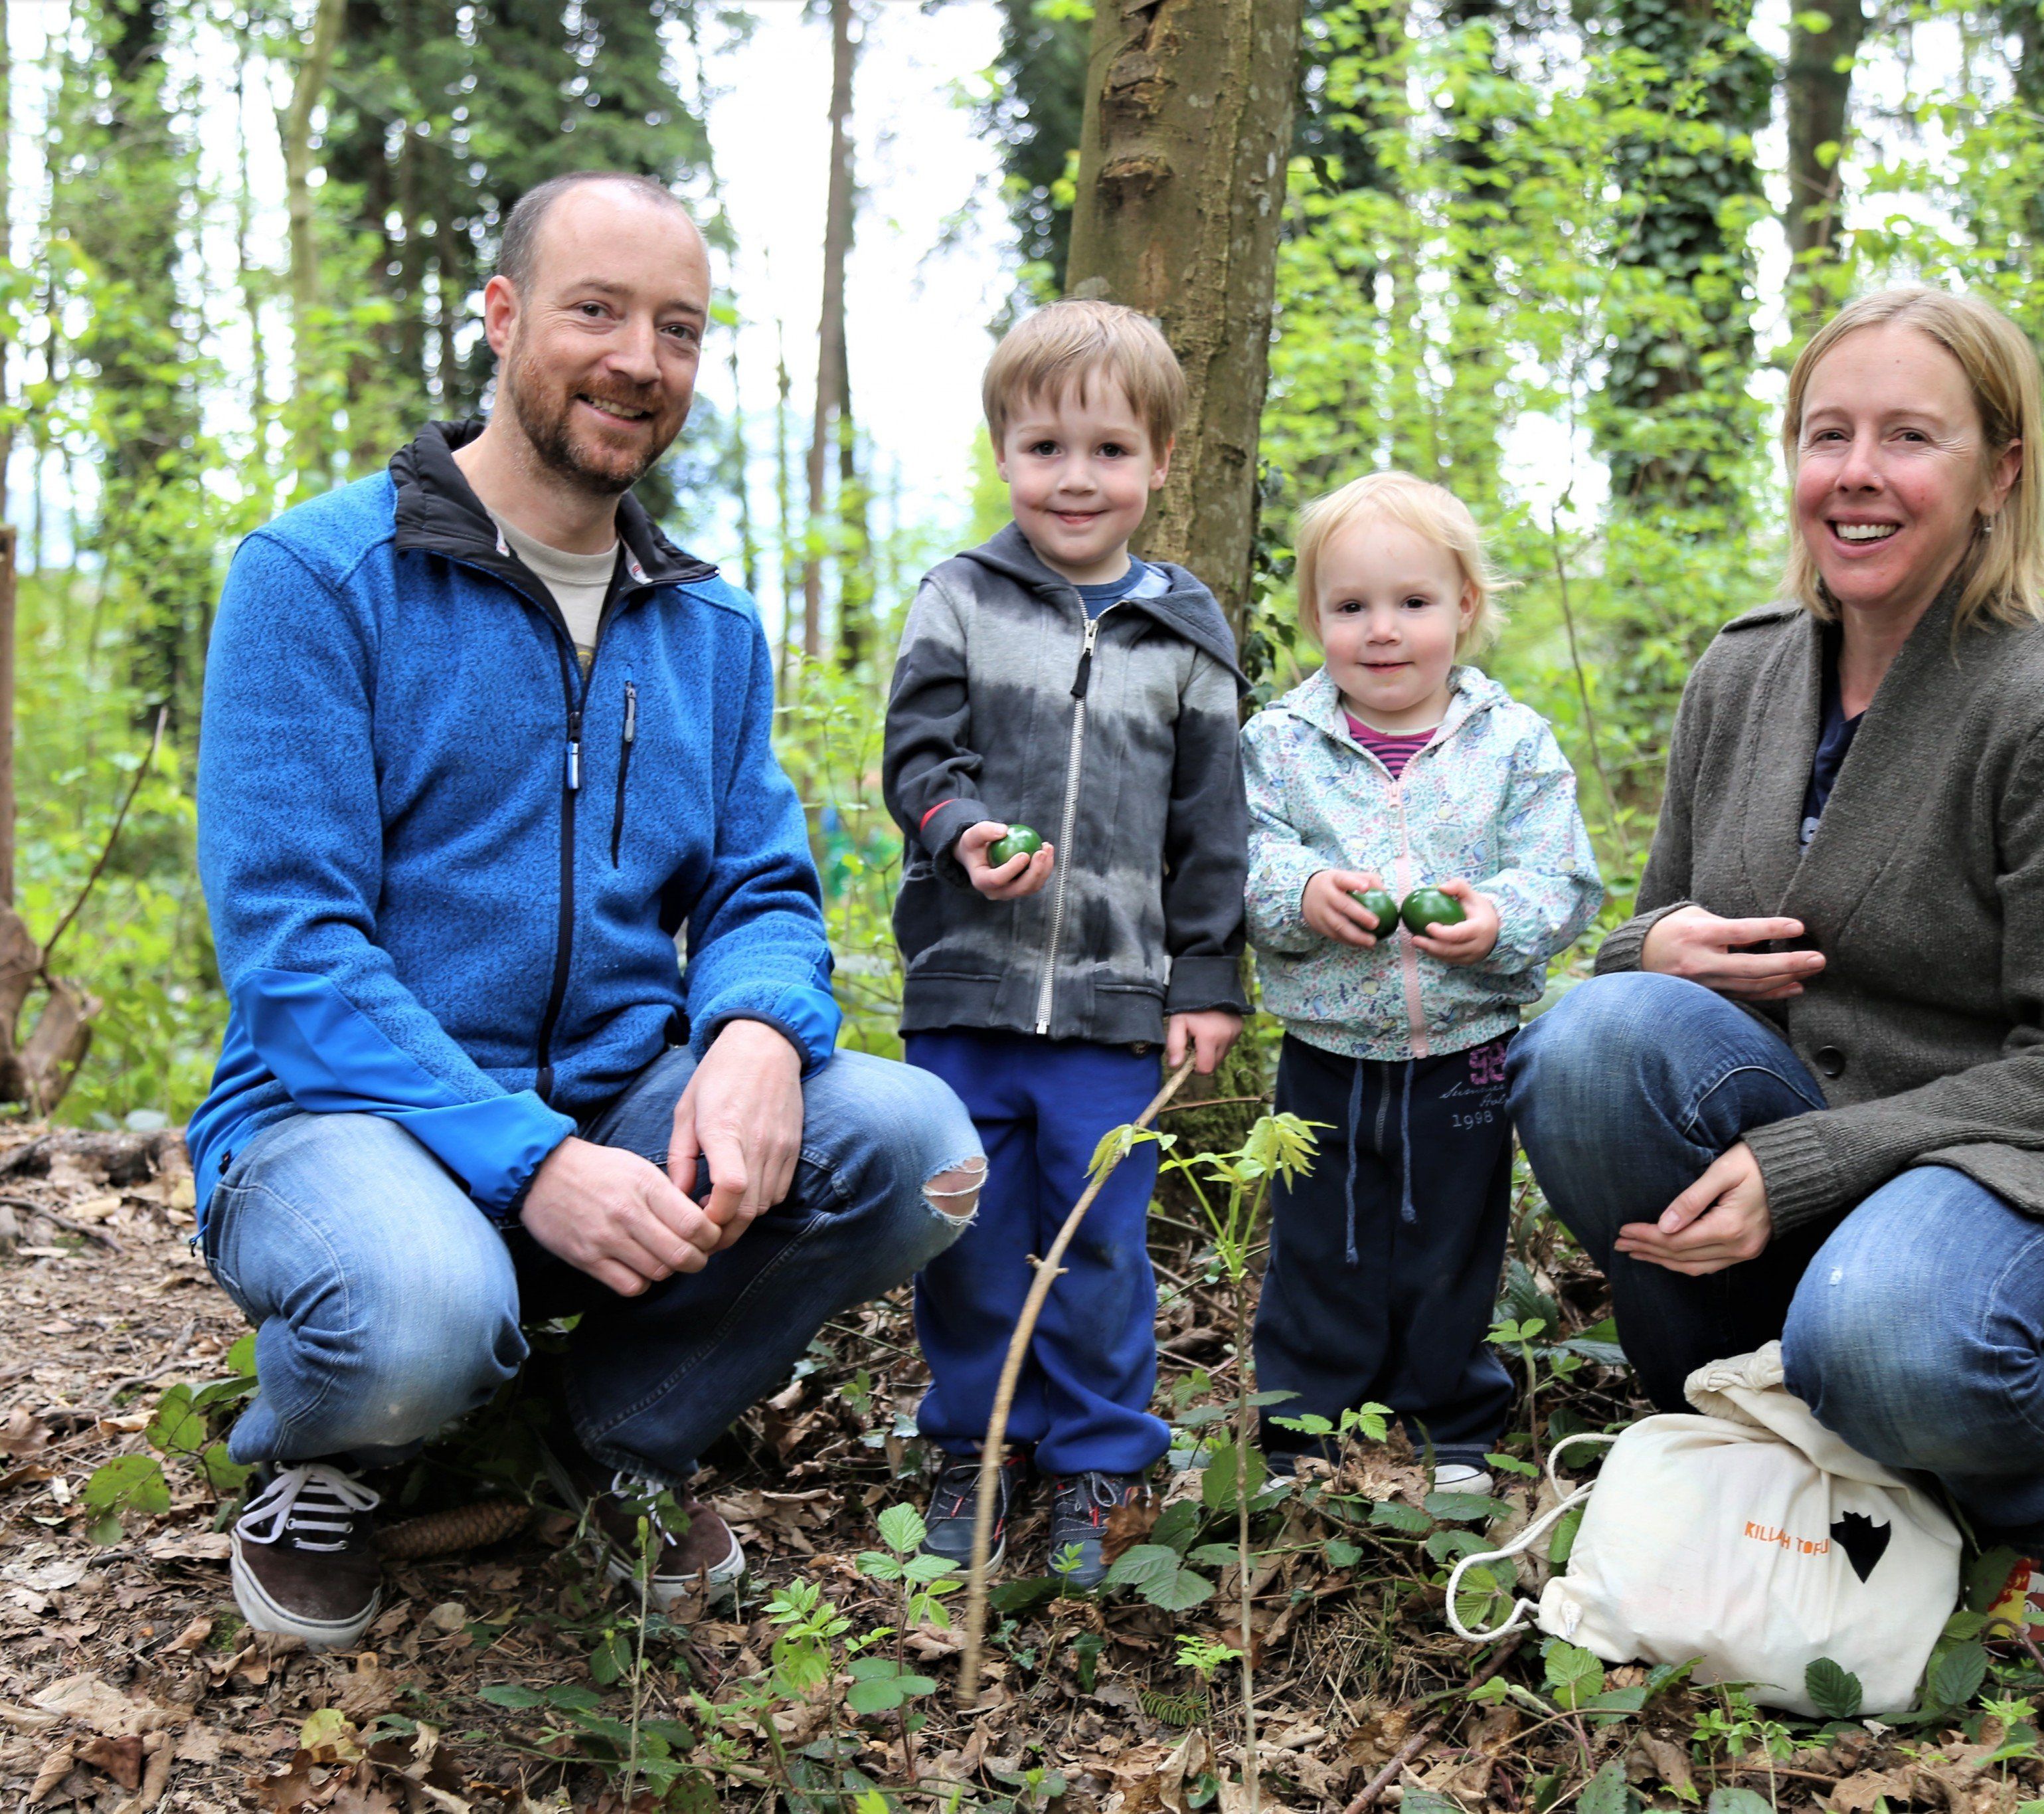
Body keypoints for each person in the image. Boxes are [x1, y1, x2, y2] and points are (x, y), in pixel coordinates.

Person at [188, 171, 983, 1651]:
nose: (639, 359)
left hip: (620, 1100)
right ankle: (338, 1451)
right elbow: (293, 953)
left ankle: (603, 1432)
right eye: (597, 311)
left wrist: (753, 1024)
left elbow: (757, 883)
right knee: (422, 1312)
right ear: (500, 320)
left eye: (676, 328)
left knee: (917, 1149)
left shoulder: (709, 626)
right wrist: (524, 1156)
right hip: (339, 1117)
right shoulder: (317, 578)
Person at [1507, 287, 2044, 1636]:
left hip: (2006, 1175)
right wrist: (1646, 944)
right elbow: (1649, 941)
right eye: (1825, 433)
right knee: (1591, 1042)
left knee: (1894, 1335)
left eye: (1909, 436)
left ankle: (2034, 1496)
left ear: (1998, 473)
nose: (1854, 473)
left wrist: (1815, 1166)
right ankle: (1740, 1428)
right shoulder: (1739, 674)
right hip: (1785, 1157)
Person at [881, 298, 1248, 1584]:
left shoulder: (1188, 632)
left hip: (1114, 998)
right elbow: (917, 757)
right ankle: (980, 1447)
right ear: (1002, 455)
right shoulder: (962, 599)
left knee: (1096, 1237)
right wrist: (964, 830)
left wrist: (1206, 981)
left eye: (1107, 450)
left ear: (1157, 464)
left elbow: (1215, 831)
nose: (1075, 477)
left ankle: (1102, 1460)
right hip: (966, 991)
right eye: (1045, 448)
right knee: (970, 1234)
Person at [1242, 472, 1600, 1483]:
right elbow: (1245, 862)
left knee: (1453, 1244)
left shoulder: (1512, 743)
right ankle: (1304, 1431)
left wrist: (1498, 922)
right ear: (1315, 617)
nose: (1382, 631)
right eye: (1350, 607)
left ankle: (1452, 1428)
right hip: (1327, 1052)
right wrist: (1305, 892)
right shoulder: (1279, 745)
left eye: (1413, 603)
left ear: (1465, 609)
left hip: (1468, 1048)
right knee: (1321, 1242)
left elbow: (1563, 876)